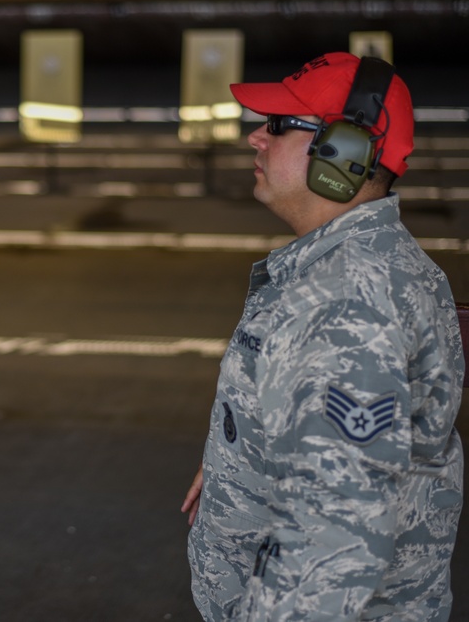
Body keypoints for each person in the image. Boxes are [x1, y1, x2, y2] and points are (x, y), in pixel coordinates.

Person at [181, 53, 464, 620]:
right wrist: (243, 451)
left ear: (344, 154)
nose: (255, 138)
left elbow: (331, 544)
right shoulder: (358, 267)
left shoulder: (344, 305)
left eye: (281, 125)